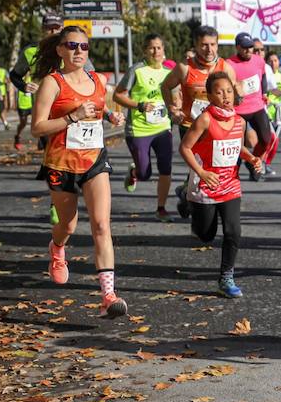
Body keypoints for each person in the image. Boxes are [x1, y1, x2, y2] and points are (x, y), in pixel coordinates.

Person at [30, 26, 127, 318]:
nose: (78, 51)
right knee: (68, 225)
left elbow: (98, 107)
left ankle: (108, 296)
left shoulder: (98, 79)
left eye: (83, 46)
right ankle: (57, 247)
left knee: (101, 225)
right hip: (61, 163)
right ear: (60, 49)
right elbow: (38, 127)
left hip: (94, 160)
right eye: (72, 46)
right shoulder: (52, 83)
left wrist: (111, 115)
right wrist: (72, 117)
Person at [179, 70, 261, 298]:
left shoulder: (240, 121)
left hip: (231, 185)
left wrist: (251, 158)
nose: (226, 96)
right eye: (219, 92)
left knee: (233, 232)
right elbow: (185, 147)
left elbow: (237, 147)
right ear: (209, 96)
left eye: (229, 91)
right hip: (205, 186)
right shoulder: (205, 119)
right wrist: (201, 172)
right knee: (205, 235)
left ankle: (226, 278)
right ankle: (186, 197)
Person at [162, 24, 225, 217]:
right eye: (204, 45)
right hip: (190, 126)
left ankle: (186, 193)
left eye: (213, 44)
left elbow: (233, 96)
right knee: (198, 166)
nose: (209, 49)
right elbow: (165, 87)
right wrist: (172, 108)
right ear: (196, 45)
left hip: (216, 127)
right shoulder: (185, 68)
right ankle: (198, 204)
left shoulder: (225, 67)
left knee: (211, 166)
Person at [113, 34, 175, 220]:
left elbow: (175, 96)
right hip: (139, 129)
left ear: (164, 50)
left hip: (163, 127)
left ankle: (161, 209)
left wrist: (176, 107)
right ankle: (134, 172)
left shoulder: (168, 72)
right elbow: (118, 96)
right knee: (144, 173)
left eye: (159, 48)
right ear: (145, 50)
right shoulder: (137, 70)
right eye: (151, 48)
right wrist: (139, 105)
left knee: (166, 168)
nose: (156, 51)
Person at [9, 15, 65, 152]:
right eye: (49, 28)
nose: (53, 31)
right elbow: (14, 75)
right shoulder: (31, 51)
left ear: (62, 28)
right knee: (51, 150)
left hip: (67, 107)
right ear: (42, 29)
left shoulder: (72, 48)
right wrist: (24, 86)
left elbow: (90, 74)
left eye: (56, 28)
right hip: (43, 110)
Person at [227, 32, 277, 180]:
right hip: (238, 110)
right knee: (236, 144)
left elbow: (263, 77)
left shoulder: (258, 61)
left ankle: (252, 161)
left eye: (250, 47)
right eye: (244, 47)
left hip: (257, 107)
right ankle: (232, 175)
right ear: (237, 47)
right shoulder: (229, 64)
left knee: (266, 139)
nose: (248, 50)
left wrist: (264, 93)